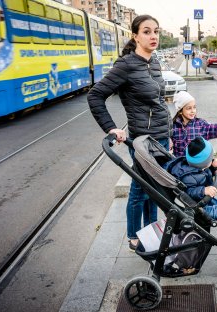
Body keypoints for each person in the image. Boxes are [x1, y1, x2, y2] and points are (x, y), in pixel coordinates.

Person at [87, 15, 171, 251]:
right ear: (135, 36)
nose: (153, 36)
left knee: (154, 191)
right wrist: (111, 127)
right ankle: (134, 236)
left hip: (160, 138)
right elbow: (95, 96)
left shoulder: (154, 63)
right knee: (139, 190)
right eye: (146, 31)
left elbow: (159, 103)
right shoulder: (125, 65)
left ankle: (152, 231)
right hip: (143, 141)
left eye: (156, 31)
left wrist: (170, 135)